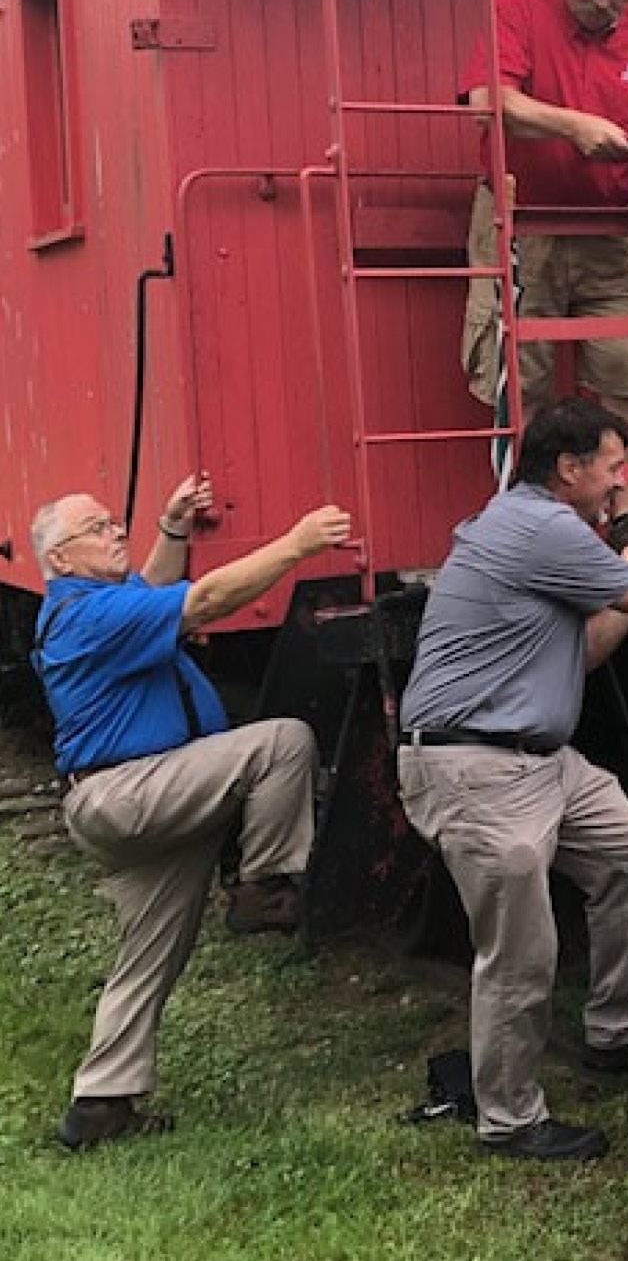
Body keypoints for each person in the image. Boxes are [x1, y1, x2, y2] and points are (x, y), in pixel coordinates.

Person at [398, 398, 628, 1162]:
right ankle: (507, 1117)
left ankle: (619, 1029)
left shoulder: (533, 526)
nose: (618, 483)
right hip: (473, 764)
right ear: (567, 469)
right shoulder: (542, 526)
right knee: (521, 948)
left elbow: (586, 652)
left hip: (538, 758)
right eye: (610, 468)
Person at [30, 473, 352, 1151]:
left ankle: (100, 1104)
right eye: (97, 529)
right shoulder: (87, 615)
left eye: (114, 522)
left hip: (131, 796)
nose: (115, 531)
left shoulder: (102, 606)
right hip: (131, 791)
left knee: (150, 951)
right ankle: (262, 886)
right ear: (59, 559)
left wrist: (172, 529)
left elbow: (153, 587)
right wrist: (295, 545)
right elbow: (200, 600)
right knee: (281, 741)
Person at [460, 0, 628, 514]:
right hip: (520, 220)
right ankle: (523, 523)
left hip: (610, 228)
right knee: (518, 378)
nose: (606, 3)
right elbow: (488, 104)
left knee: (626, 367)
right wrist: (573, 125)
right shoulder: (517, 4)